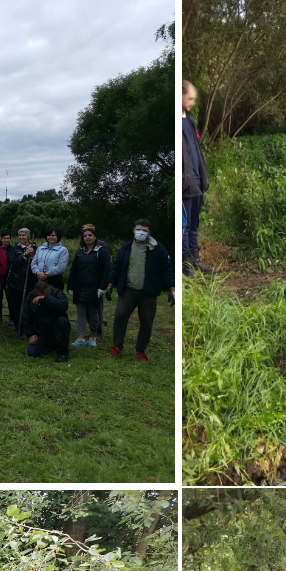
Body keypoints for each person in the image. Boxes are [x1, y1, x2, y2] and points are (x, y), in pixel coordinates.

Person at [107, 219, 173, 361]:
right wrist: (110, 285)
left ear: (150, 232)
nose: (141, 232)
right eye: (138, 230)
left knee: (147, 321)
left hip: (148, 293)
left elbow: (167, 269)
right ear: (133, 230)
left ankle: (140, 350)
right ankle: (117, 346)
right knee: (120, 316)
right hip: (128, 290)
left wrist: (172, 289)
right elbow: (117, 267)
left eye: (144, 230)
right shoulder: (126, 247)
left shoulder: (157, 248)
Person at [181, 79, 213, 276]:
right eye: (190, 98)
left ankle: (195, 261)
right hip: (186, 184)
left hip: (198, 181)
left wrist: (204, 177)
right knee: (184, 226)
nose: (192, 102)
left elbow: (197, 153)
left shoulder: (190, 121)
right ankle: (185, 266)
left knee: (194, 225)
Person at [69, 224, 110, 347]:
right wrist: (70, 286)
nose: (87, 238)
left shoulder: (101, 251)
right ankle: (81, 337)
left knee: (93, 312)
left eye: (90, 235)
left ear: (95, 237)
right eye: (85, 236)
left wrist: (103, 287)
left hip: (94, 288)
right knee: (81, 312)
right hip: (80, 287)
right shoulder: (79, 252)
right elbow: (73, 270)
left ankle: (93, 336)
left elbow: (107, 269)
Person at [21, 278, 70, 362]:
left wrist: (46, 298)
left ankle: (62, 353)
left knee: (63, 322)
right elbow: (26, 316)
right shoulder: (31, 296)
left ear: (48, 290)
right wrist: (30, 334)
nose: (39, 296)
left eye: (43, 294)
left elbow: (63, 306)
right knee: (32, 352)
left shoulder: (57, 293)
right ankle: (50, 345)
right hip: (41, 330)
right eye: (38, 294)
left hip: (57, 328)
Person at [5, 227, 37, 333]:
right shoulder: (15, 248)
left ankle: (29, 325)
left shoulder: (35, 248)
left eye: (24, 235)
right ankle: (18, 325)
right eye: (20, 235)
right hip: (16, 281)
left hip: (30, 281)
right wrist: (25, 254)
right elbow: (13, 262)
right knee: (16, 305)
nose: (21, 237)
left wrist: (32, 255)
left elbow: (37, 262)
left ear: (28, 236)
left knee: (29, 304)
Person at [31, 227, 69, 292]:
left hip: (54, 281)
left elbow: (61, 267)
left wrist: (47, 274)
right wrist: (38, 272)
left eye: (53, 235)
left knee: (53, 300)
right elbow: (33, 263)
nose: (50, 237)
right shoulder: (40, 249)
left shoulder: (63, 250)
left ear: (58, 237)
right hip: (39, 279)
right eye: (49, 235)